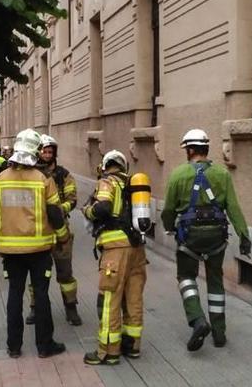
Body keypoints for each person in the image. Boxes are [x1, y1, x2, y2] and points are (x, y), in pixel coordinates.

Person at [161, 129, 252, 351]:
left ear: (190, 150)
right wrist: (244, 235)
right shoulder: (222, 174)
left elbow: (168, 210)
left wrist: (169, 227)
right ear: (206, 148)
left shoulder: (178, 175)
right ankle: (219, 333)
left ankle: (197, 319)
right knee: (215, 280)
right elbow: (233, 207)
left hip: (189, 237)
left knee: (186, 276)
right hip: (216, 238)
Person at [0, 129, 67, 359]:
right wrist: (62, 237)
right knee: (41, 295)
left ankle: (14, 346)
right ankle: (45, 346)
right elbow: (55, 213)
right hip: (39, 249)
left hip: (10, 251)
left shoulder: (0, 179)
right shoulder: (43, 180)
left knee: (15, 294)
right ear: (34, 151)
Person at [81, 150, 147, 365]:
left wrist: (87, 211)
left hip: (116, 250)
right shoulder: (132, 184)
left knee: (110, 298)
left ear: (106, 165)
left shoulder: (107, 182)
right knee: (134, 297)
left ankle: (108, 351)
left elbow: (103, 207)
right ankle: (133, 345)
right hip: (137, 249)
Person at [25, 135, 82, 326]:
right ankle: (34, 308)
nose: (47, 155)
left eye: (50, 152)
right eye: (44, 151)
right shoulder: (30, 173)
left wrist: (58, 209)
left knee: (65, 272)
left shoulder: (63, 174)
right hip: (39, 230)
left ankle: (71, 308)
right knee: (37, 273)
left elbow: (72, 199)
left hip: (61, 231)